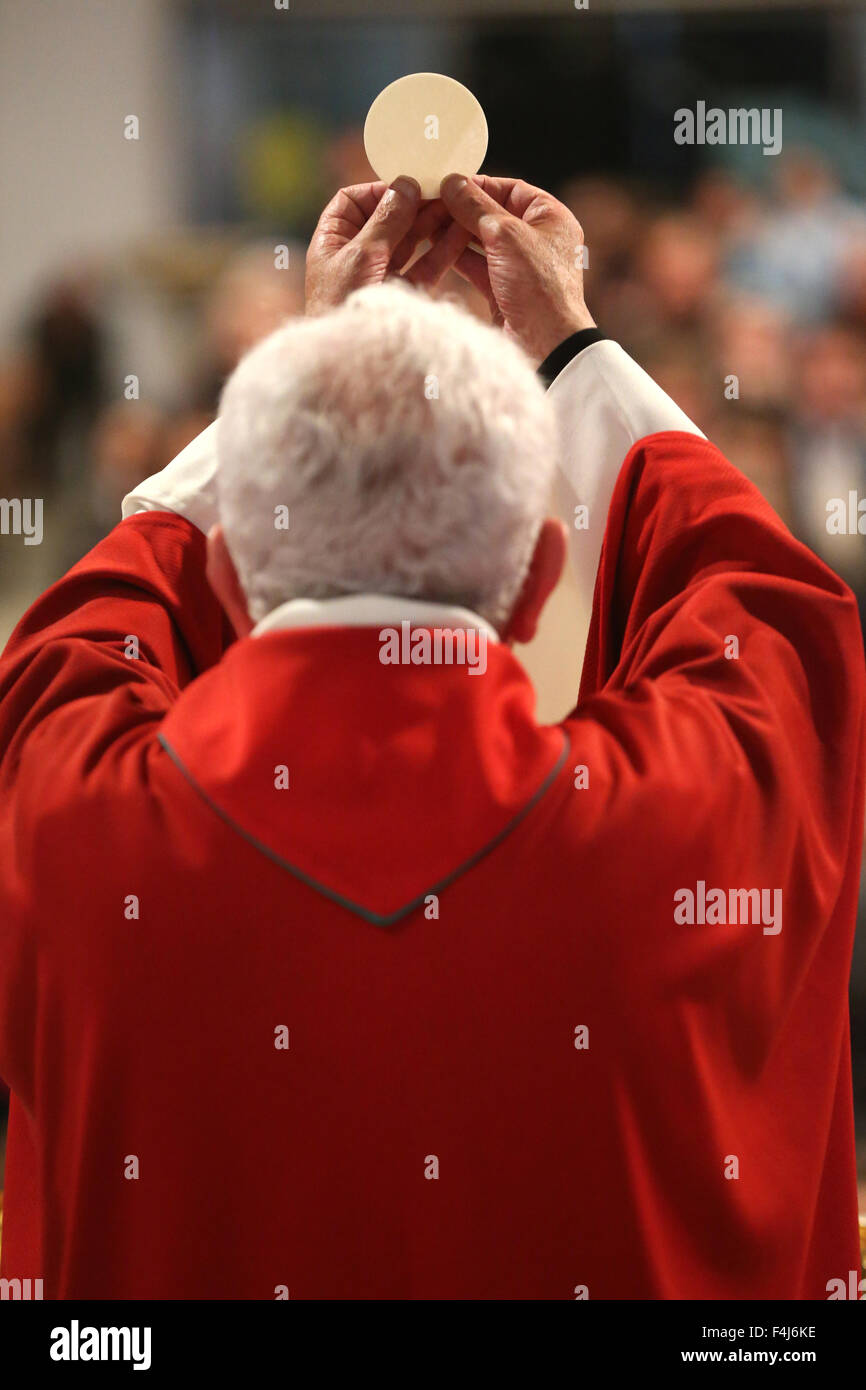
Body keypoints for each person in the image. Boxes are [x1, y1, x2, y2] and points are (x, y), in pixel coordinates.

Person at [0, 173, 862, 1300]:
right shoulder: (679, 810)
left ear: (225, 573)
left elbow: (109, 594)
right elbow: (768, 607)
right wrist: (572, 345)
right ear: (537, 584)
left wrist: (308, 363)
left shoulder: (73, 807)